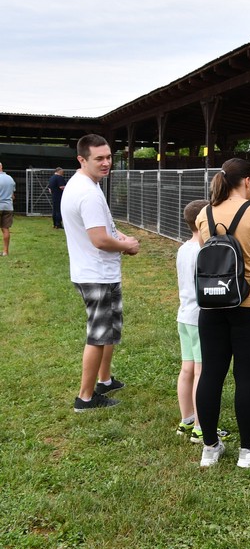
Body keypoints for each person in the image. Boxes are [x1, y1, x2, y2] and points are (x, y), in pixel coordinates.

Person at [195, 158, 250, 468]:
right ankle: (248, 450)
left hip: (212, 304)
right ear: (247, 181)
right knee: (246, 376)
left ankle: (210, 448)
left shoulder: (205, 214)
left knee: (211, 374)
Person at [62, 135, 140, 412]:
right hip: (97, 274)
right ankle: (85, 398)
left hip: (94, 271)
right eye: (99, 158)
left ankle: (104, 380)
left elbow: (105, 228)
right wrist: (126, 246)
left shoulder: (82, 184)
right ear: (82, 159)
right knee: (98, 335)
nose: (106, 163)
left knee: (108, 332)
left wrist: (123, 236)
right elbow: (100, 239)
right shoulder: (89, 193)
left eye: (108, 157)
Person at [174, 199, 231, 444]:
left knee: (187, 368)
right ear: (202, 221)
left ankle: (186, 419)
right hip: (200, 318)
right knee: (201, 371)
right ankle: (201, 426)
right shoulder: (203, 249)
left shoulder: (183, 248)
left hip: (184, 316)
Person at [0, 162, 14, 257]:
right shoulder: (10, 179)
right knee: (5, 229)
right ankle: (5, 251)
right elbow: (13, 196)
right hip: (8, 207)